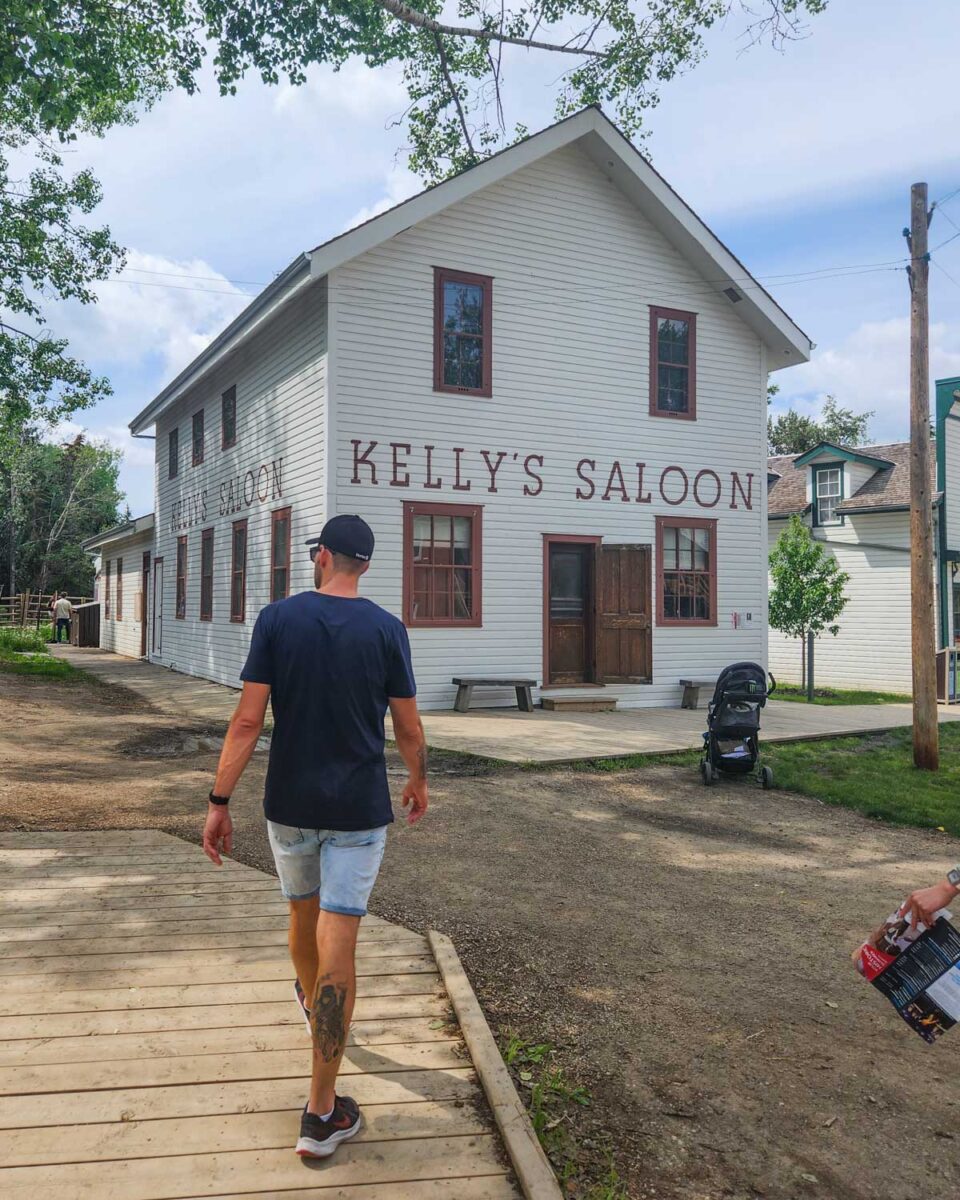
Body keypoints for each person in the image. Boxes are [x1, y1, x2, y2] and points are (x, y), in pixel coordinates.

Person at [201, 513, 428, 1160]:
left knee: (304, 919)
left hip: (290, 806)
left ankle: (315, 1010)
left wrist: (219, 802)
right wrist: (418, 779)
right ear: (365, 565)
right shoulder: (387, 630)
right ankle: (322, 1113)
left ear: (322, 556)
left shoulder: (278, 620)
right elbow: (408, 726)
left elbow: (247, 723)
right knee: (340, 942)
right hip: (357, 810)